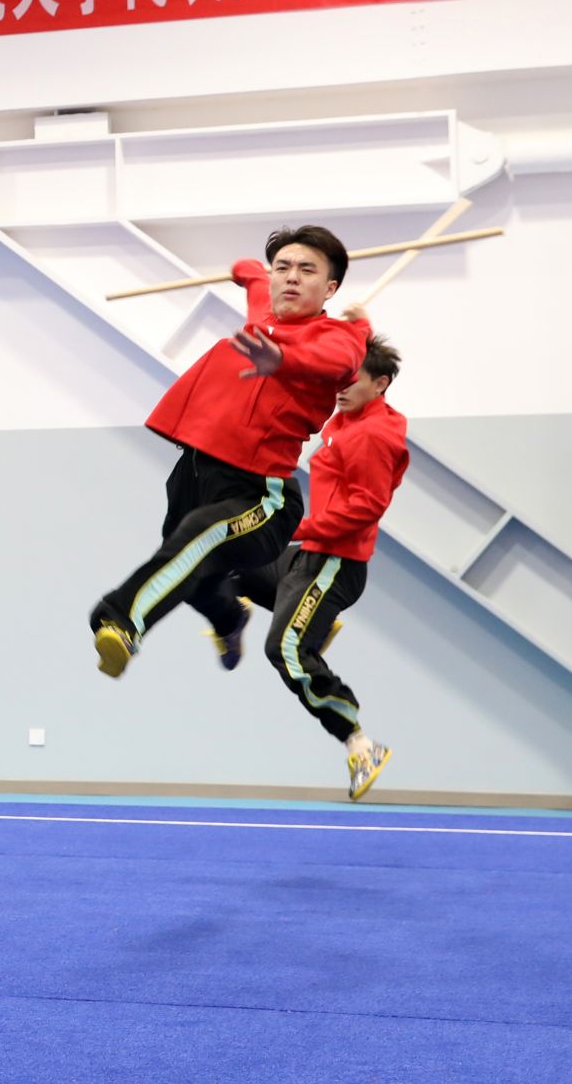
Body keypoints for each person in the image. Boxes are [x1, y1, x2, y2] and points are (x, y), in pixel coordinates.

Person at [89, 226, 369, 681]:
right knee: (185, 564)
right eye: (283, 267)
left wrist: (285, 361)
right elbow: (255, 281)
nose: (291, 277)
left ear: (330, 288)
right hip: (195, 471)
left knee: (197, 540)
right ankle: (231, 618)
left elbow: (340, 362)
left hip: (259, 491)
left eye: (307, 270)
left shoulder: (336, 337)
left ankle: (121, 622)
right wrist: (246, 270)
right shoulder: (263, 317)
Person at [216, 329, 408, 801]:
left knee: (283, 650)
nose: (339, 387)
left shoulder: (372, 435)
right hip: (308, 559)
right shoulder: (348, 415)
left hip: (333, 565)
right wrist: (359, 326)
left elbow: (367, 507)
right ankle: (234, 618)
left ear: (380, 384)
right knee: (222, 556)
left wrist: (297, 528)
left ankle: (359, 742)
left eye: (352, 380)